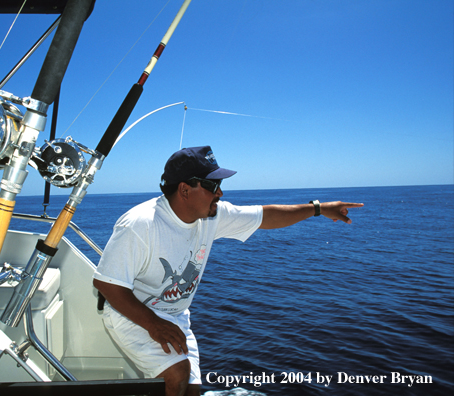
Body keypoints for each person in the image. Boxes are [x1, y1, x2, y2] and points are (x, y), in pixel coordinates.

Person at [93, 146, 363, 396]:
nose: (220, 193)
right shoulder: (140, 224)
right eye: (213, 185)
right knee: (176, 374)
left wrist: (318, 209)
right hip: (133, 313)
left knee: (192, 389)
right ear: (185, 190)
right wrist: (154, 324)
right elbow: (107, 284)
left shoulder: (212, 216)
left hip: (174, 314)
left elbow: (266, 216)